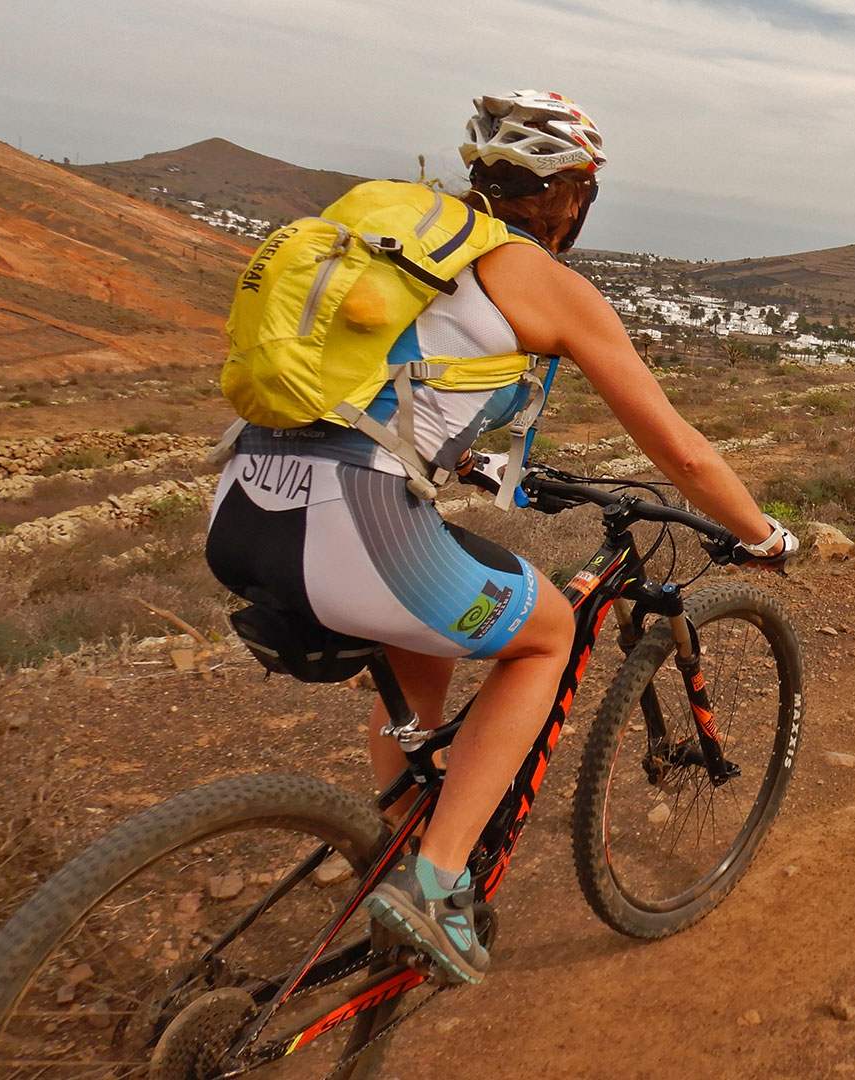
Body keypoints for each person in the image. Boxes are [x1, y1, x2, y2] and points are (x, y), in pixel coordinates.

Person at [204, 90, 796, 984]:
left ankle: (394, 845)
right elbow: (680, 450)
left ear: (480, 172)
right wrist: (763, 536)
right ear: (575, 193)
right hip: (350, 529)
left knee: (425, 648)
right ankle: (433, 888)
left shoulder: (410, 243)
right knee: (550, 630)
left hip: (243, 503)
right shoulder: (543, 281)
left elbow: (390, 388)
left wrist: (470, 464)